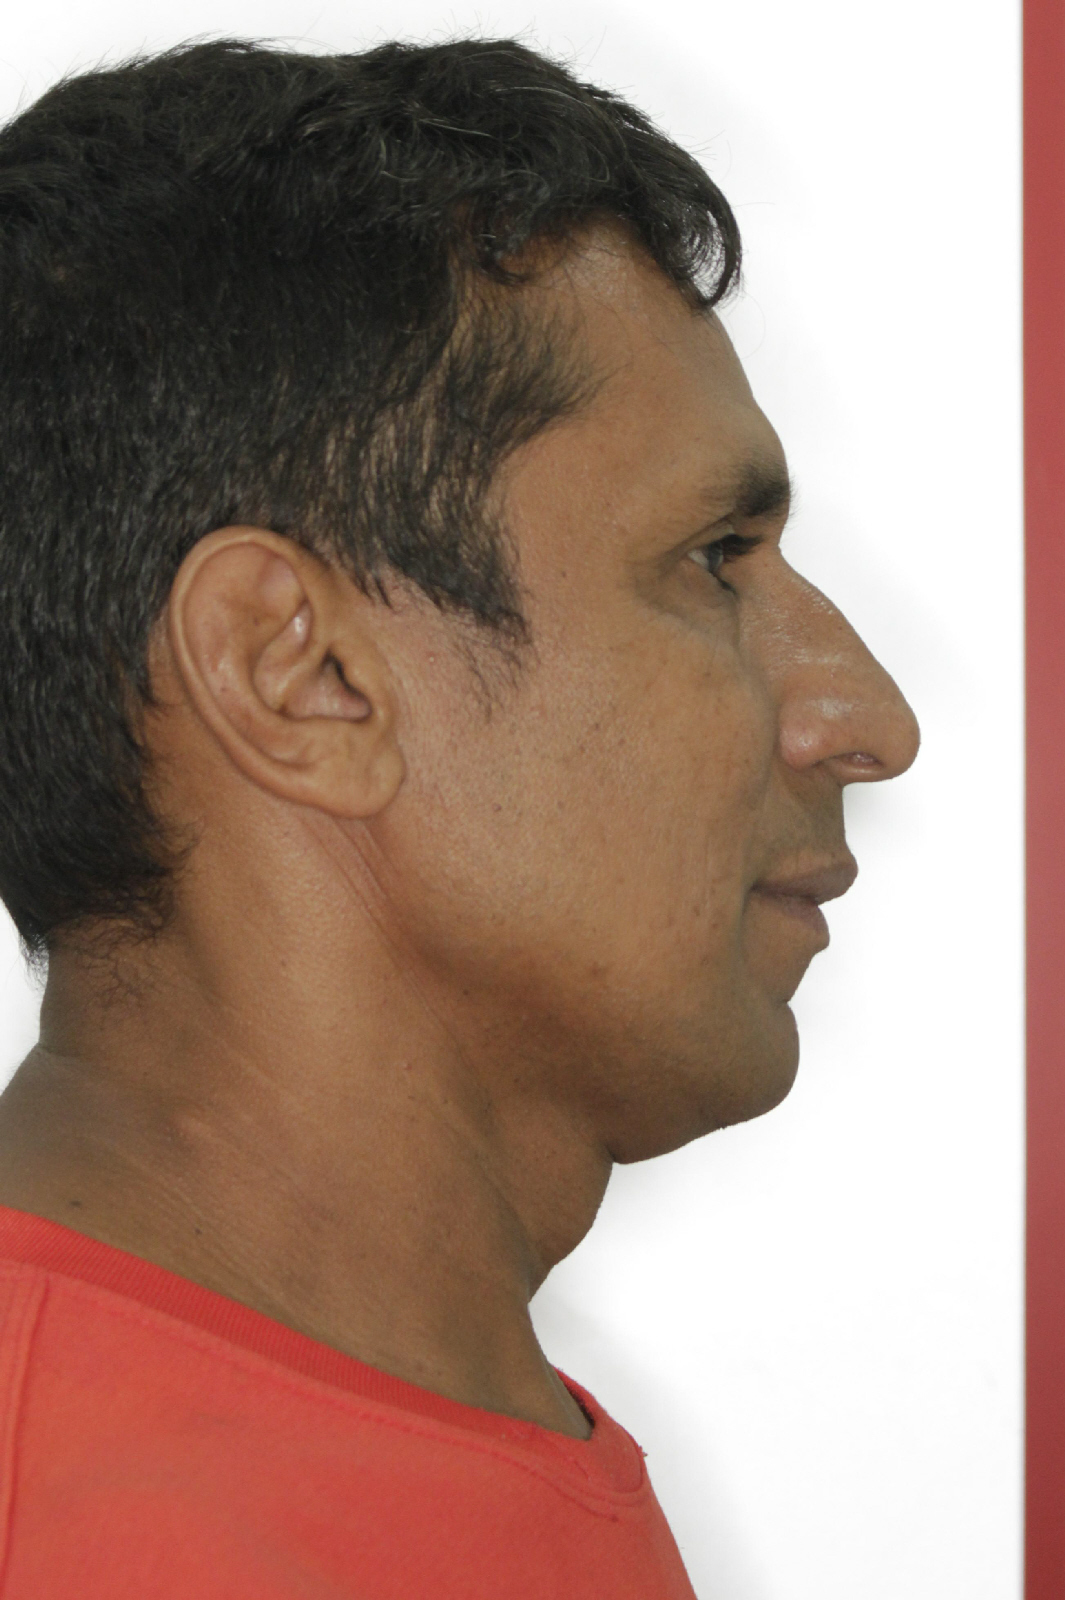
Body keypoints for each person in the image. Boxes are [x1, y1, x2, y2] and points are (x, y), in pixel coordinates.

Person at [0, 35, 919, 1600]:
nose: (867, 720)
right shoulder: (78, 1524)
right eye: (712, 559)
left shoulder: (388, 1445)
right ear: (301, 678)